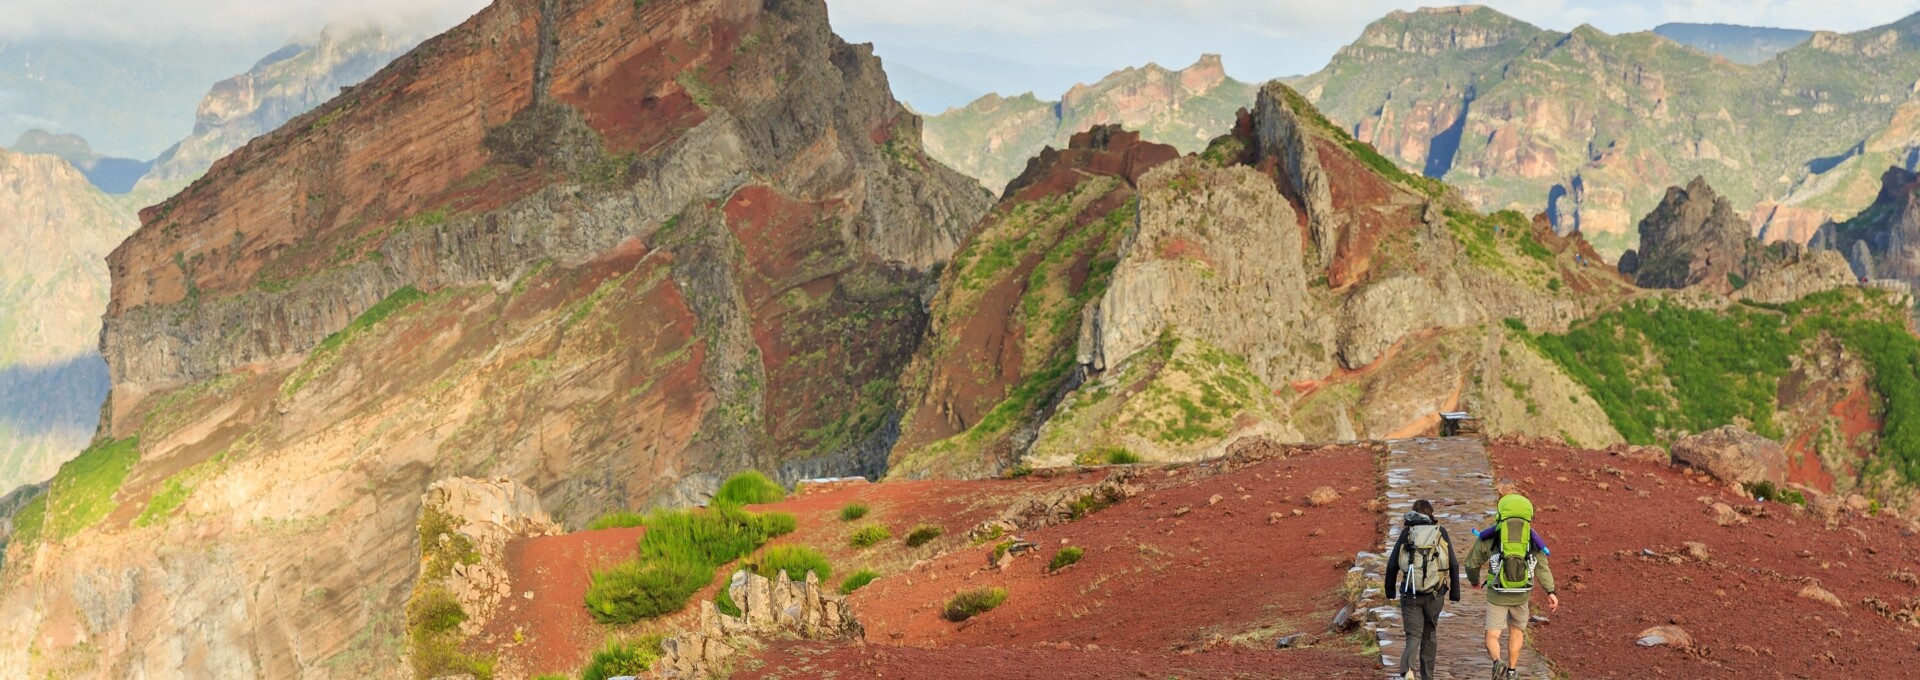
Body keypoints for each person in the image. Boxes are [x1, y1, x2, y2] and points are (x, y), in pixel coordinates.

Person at [1465, 493, 1560, 680]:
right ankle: (1511, 671)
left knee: (1493, 635)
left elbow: (1471, 564)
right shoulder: (1531, 537)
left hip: (1497, 593)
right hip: (1521, 593)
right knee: (1516, 631)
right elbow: (1541, 566)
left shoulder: (1490, 535)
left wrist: (1475, 581)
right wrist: (1551, 591)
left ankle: (1497, 661)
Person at [1384, 499, 1461, 680]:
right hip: (1435, 594)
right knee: (1430, 633)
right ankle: (1428, 676)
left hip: (1410, 593)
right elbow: (1454, 564)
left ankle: (1409, 670)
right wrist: (1454, 593)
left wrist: (1390, 591)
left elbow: (1392, 564)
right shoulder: (1440, 532)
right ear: (1431, 513)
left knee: (1413, 635)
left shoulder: (1407, 534)